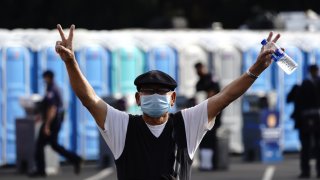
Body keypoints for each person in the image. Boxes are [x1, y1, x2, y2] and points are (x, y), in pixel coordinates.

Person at [55, 24, 279, 180]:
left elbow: (226, 96)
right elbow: (89, 99)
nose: (154, 96)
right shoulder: (122, 127)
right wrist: (70, 62)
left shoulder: (186, 123)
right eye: (148, 92)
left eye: (161, 92)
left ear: (172, 99)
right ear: (137, 98)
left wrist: (256, 69)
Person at [29, 70, 83, 177]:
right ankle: (76, 159)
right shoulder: (53, 88)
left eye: (45, 78)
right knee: (54, 145)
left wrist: (47, 125)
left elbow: (52, 109)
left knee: (39, 146)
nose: (44, 80)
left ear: (48, 77)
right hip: (55, 121)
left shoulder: (52, 89)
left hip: (52, 122)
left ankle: (41, 170)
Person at [194, 62, 222, 171]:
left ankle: (212, 164)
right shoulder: (198, 83)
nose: (198, 71)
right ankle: (205, 164)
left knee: (211, 139)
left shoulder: (211, 79)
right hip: (202, 113)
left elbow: (216, 93)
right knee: (203, 139)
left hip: (213, 113)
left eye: (199, 69)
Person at [296, 64, 320, 179]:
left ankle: (305, 171)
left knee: (305, 146)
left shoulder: (303, 84)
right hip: (317, 118)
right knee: (317, 146)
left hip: (305, 119)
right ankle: (318, 171)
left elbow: (294, 99)